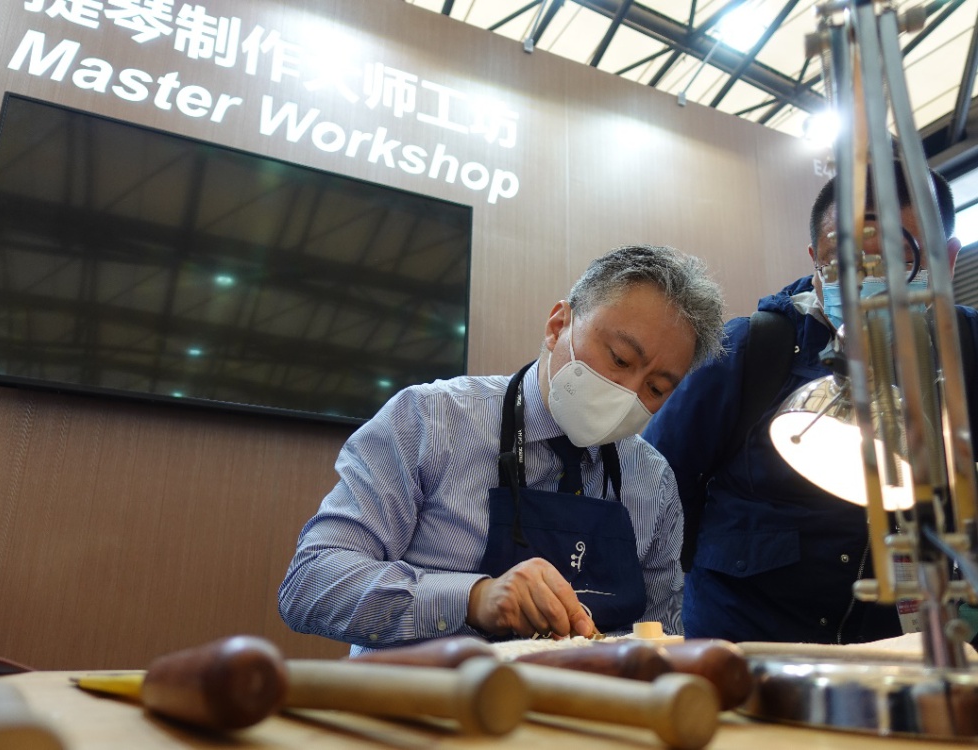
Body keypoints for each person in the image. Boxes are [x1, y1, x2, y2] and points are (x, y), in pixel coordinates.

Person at [278, 245, 725, 654]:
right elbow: (310, 584)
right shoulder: (430, 420)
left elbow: (661, 639)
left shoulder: (652, 482)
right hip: (423, 707)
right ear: (558, 326)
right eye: (620, 359)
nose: (628, 392)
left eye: (656, 387)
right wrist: (473, 599)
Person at [643, 161, 978, 645]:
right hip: (743, 653)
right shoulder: (751, 351)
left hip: (895, 658)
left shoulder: (967, 356)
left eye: (896, 260)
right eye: (841, 262)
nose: (865, 283)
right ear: (814, 260)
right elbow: (655, 493)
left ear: (946, 261)